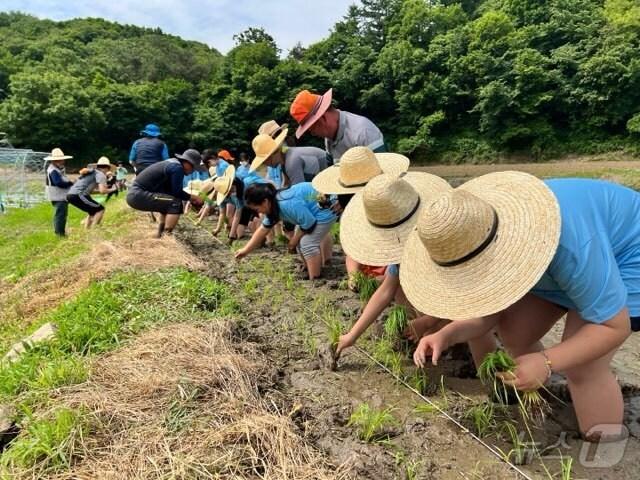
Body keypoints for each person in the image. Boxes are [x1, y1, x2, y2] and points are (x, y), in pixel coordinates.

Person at [404, 173, 638, 442]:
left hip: (629, 256)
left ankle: (605, 448)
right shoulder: (482, 233)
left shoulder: (569, 246)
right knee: (515, 331)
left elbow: (614, 326)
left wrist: (547, 361)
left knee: (583, 367)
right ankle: (542, 398)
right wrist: (446, 334)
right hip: (567, 264)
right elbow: (491, 313)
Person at [334, 172, 498, 363]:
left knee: (485, 329)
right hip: (446, 299)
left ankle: (486, 366)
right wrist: (352, 335)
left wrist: (429, 321)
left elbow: (463, 295)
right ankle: (441, 337)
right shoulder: (402, 253)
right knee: (401, 289)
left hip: (472, 297)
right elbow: (386, 291)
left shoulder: (445, 240)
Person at [311, 146, 410, 288]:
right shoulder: (356, 219)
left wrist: (380, 282)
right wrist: (354, 277)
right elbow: (353, 250)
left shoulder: (395, 209)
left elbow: (399, 268)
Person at [235, 182, 336, 280]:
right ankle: (308, 267)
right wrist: (245, 250)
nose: (258, 212)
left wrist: (293, 241)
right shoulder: (273, 205)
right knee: (300, 238)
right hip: (313, 211)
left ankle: (315, 278)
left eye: (257, 209)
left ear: (265, 202)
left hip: (326, 207)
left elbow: (309, 223)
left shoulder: (286, 204)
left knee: (307, 242)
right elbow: (262, 230)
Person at [289, 88, 385, 161]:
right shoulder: (329, 139)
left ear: (323, 117)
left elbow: (384, 169)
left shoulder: (362, 131)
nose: (313, 134)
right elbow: (332, 173)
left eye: (312, 128)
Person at [126, 149, 203, 237]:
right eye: (193, 168)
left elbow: (170, 192)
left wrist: (189, 198)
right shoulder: (177, 168)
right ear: (188, 162)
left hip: (135, 195)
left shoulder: (172, 164)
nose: (192, 171)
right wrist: (193, 197)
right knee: (175, 203)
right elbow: (176, 192)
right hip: (138, 195)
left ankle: (160, 235)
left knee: (167, 202)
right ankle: (167, 235)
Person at [250, 127, 329, 187]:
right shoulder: (284, 158)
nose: (265, 164)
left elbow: (299, 191)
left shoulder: (291, 162)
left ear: (273, 154)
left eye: (264, 161)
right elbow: (286, 185)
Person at [67, 157, 117, 228]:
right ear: (107, 168)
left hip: (71, 195)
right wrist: (113, 189)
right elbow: (102, 191)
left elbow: (91, 191)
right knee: (100, 209)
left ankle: (87, 231)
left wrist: (104, 190)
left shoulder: (92, 172)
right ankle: (94, 229)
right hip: (78, 195)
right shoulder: (101, 174)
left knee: (92, 212)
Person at [44, 148, 74, 237]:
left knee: (62, 214)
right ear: (56, 160)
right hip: (57, 196)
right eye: (62, 159)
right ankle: (60, 234)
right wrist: (70, 183)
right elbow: (58, 183)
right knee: (60, 215)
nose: (63, 161)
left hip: (60, 196)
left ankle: (61, 232)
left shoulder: (56, 169)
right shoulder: (53, 170)